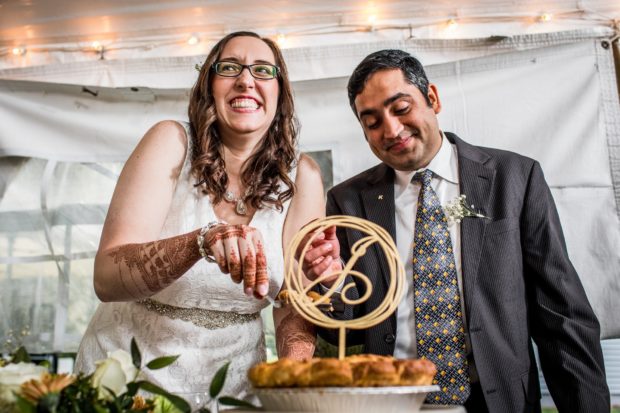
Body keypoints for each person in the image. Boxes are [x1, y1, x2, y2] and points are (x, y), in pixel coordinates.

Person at [301, 49, 610, 412]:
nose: (392, 130)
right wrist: (329, 284)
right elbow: (347, 328)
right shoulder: (348, 201)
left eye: (401, 109)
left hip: (498, 402)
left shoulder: (514, 178)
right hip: (391, 401)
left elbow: (561, 315)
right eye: (372, 122)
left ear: (432, 98)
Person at [74, 31, 320, 404]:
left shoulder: (303, 176)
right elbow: (107, 279)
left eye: (263, 70)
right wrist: (201, 242)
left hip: (235, 388)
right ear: (209, 85)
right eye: (230, 67)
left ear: (280, 93)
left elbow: (293, 301)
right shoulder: (170, 142)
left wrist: (295, 378)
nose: (246, 79)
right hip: (129, 379)